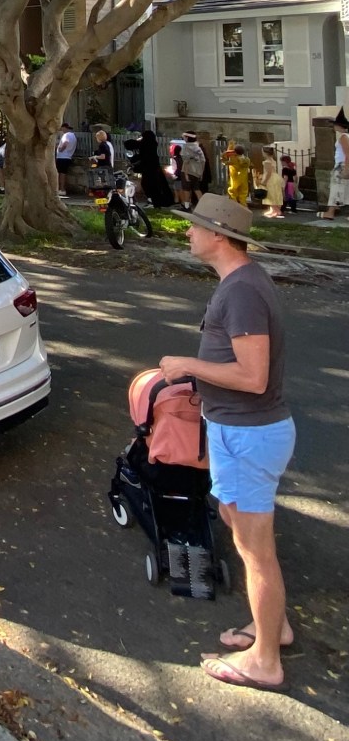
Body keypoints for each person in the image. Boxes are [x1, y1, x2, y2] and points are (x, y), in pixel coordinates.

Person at [158, 194, 294, 692]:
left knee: (254, 549)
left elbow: (254, 376)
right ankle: (270, 626)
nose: (187, 233)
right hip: (237, 429)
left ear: (218, 235)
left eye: (194, 227)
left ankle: (265, 660)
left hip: (249, 432)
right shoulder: (241, 283)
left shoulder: (242, 291)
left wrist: (186, 366)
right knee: (241, 526)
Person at [130, 131, 175, 208]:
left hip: (149, 168)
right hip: (153, 168)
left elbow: (135, 149)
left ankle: (153, 202)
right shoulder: (152, 143)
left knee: (148, 185)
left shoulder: (146, 144)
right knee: (152, 185)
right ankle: (155, 201)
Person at [319, 108, 349, 220]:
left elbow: (347, 154)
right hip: (343, 165)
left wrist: (346, 168)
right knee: (345, 190)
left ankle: (330, 212)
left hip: (341, 166)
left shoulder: (343, 137)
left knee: (336, 188)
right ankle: (333, 210)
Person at [180, 132, 207, 210]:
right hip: (197, 172)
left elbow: (186, 161)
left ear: (188, 138)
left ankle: (187, 206)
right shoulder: (198, 147)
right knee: (196, 188)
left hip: (188, 171)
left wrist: (186, 174)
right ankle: (204, 206)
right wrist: (201, 173)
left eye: (185, 137)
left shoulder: (186, 147)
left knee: (186, 189)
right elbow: (203, 160)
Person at [259, 147, 283, 219]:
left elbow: (268, 173)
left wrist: (264, 181)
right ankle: (272, 210)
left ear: (266, 153)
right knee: (274, 193)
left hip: (271, 179)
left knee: (271, 194)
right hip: (274, 177)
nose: (262, 153)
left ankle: (276, 210)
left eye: (263, 152)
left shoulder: (267, 162)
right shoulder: (272, 160)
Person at [55, 122, 77, 196]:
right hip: (68, 156)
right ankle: (62, 188)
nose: (61, 130)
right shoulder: (73, 135)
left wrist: (60, 149)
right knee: (63, 173)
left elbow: (66, 142)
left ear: (64, 128)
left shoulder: (66, 135)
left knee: (60, 174)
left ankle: (61, 189)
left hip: (62, 157)